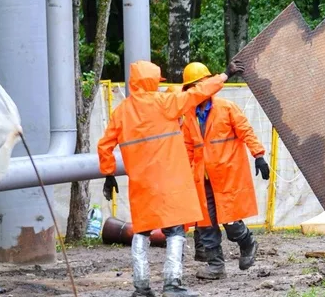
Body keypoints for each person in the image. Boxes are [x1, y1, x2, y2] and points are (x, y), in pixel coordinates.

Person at [98, 60, 237, 297]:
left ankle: (141, 288)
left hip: (141, 184)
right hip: (169, 182)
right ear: (152, 81)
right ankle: (172, 285)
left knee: (141, 231)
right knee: (175, 232)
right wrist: (225, 74)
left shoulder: (121, 111)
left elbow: (105, 145)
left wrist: (109, 173)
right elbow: (198, 92)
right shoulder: (165, 103)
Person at [179, 61, 269, 280]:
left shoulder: (227, 108)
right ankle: (216, 266)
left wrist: (258, 155)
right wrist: (185, 177)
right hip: (203, 179)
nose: (195, 92)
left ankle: (248, 243)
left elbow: (246, 131)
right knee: (206, 223)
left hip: (227, 176)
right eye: (191, 88)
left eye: (197, 86)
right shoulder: (188, 116)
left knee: (231, 222)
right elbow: (187, 148)